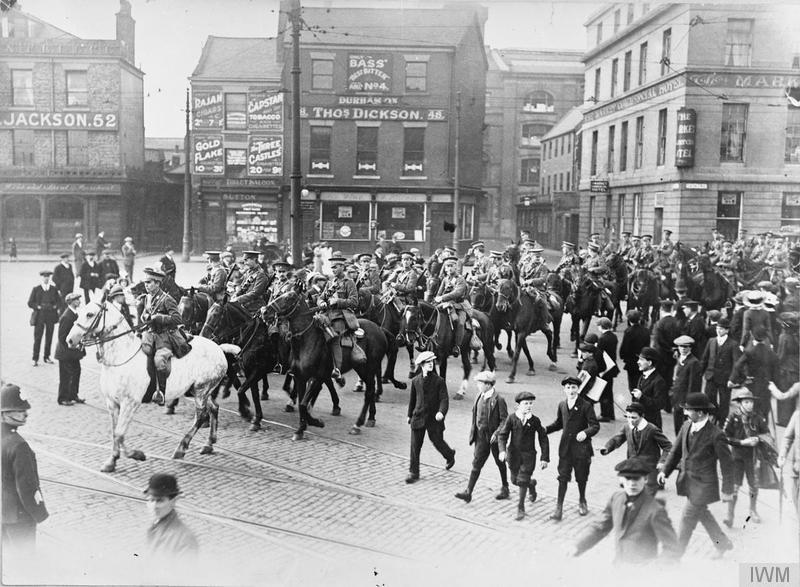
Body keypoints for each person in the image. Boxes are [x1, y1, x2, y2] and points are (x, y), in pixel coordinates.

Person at [658, 392, 735, 558]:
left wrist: (727, 489)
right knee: (702, 514)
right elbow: (676, 451)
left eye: (688, 409)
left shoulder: (716, 435)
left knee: (688, 516)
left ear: (700, 412)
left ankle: (675, 555)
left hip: (704, 486)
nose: (685, 412)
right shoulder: (686, 426)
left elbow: (727, 464)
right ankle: (723, 544)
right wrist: (665, 471)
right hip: (687, 481)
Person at [570, 457, 680, 564]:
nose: (632, 483)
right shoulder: (616, 499)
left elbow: (673, 549)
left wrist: (650, 570)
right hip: (619, 566)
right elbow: (600, 527)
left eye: (637, 479)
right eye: (628, 478)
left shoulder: (656, 510)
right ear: (621, 480)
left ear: (646, 479)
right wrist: (578, 546)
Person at [1, 383, 49, 554]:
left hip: (3, 514)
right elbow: (27, 487)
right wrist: (39, 513)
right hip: (19, 518)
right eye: (19, 410)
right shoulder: (19, 446)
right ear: (4, 414)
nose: (25, 413)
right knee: (25, 564)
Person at [545, 376, 600, 521]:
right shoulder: (562, 405)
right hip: (565, 449)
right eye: (568, 388)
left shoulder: (586, 405)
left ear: (578, 389)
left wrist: (585, 433)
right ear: (564, 389)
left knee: (581, 477)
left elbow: (595, 425)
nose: (571, 390)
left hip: (581, 449)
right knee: (562, 477)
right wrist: (544, 430)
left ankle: (582, 500)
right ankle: (559, 507)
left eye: (573, 387)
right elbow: (559, 423)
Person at [454, 371, 510, 503]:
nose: (478, 385)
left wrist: (497, 434)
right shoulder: (479, 395)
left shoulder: (499, 400)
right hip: (481, 437)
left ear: (489, 384)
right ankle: (468, 492)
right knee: (477, 463)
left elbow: (505, 421)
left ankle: (505, 487)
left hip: (494, 439)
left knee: (500, 462)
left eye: (480, 383)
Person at [497, 391, 550, 521]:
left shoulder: (535, 420)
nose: (528, 406)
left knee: (522, 480)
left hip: (528, 456)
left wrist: (544, 458)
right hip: (513, 455)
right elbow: (503, 435)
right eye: (525, 403)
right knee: (515, 480)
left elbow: (543, 438)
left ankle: (520, 507)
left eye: (530, 403)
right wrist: (502, 451)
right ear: (518, 405)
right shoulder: (512, 418)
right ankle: (531, 484)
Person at [722, 387, 769, 527]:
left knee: (753, 485)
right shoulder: (733, 417)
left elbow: (767, 434)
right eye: (746, 402)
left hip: (753, 457)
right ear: (740, 403)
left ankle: (753, 510)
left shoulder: (758, 417)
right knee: (735, 486)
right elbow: (724, 437)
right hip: (737, 457)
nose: (750, 405)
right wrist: (742, 442)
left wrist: (759, 439)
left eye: (751, 402)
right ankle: (730, 515)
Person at [406, 351, 456, 484]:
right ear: (421, 365)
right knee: (415, 445)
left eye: (432, 362)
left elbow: (444, 399)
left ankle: (449, 455)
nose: (431, 365)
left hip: (434, 418)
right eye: (428, 363)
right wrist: (409, 415)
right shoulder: (415, 381)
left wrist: (441, 412)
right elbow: (412, 399)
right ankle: (413, 472)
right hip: (418, 416)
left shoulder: (439, 381)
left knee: (437, 441)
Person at [600, 403, 672, 494]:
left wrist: (662, 462)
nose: (630, 420)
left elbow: (668, 447)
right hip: (634, 465)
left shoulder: (652, 429)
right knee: (629, 485)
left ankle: (655, 479)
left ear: (642, 416)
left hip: (650, 466)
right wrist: (607, 447)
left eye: (634, 418)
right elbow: (617, 438)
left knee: (650, 486)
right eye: (628, 417)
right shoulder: (627, 427)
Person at [138, 267, 183, 405]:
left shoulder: (167, 299)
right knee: (143, 361)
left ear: (158, 283)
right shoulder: (147, 298)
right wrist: (144, 317)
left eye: (149, 282)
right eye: (145, 282)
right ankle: (149, 390)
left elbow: (177, 319)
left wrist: (159, 317)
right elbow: (145, 314)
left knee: (159, 362)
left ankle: (162, 392)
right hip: (150, 335)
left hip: (165, 336)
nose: (146, 285)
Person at [316, 256, 362, 386]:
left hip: (341, 316)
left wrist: (338, 301)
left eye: (336, 267)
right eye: (332, 267)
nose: (333, 269)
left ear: (342, 267)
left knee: (333, 336)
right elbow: (321, 297)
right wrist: (321, 302)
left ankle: (337, 369)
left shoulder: (349, 282)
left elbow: (354, 302)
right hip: (326, 314)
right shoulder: (331, 282)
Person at [143, 473, 198, 559]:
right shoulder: (152, 527)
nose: (153, 506)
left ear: (173, 501)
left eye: (160, 501)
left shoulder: (184, 539)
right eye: (151, 500)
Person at [729, 326, 779, 420]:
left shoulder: (749, 352)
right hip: (766, 384)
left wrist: (743, 378)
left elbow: (737, 366)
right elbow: (776, 371)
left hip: (752, 384)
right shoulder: (772, 353)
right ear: (765, 338)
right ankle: (763, 429)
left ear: (752, 336)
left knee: (751, 409)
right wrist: (773, 382)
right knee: (764, 409)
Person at [699, 316, 739, 423]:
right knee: (709, 399)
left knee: (724, 402)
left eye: (721, 329)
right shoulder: (711, 341)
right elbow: (705, 359)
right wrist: (700, 373)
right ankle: (715, 415)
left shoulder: (733, 344)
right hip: (711, 375)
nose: (718, 330)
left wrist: (732, 379)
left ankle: (722, 423)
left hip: (725, 378)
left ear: (727, 330)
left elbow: (736, 364)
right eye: (717, 328)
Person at [54, 292, 86, 406]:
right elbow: (62, 337)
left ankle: (73, 395)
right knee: (65, 375)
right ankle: (63, 398)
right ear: (71, 302)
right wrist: (74, 345)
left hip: (72, 352)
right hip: (65, 352)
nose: (79, 301)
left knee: (76, 372)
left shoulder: (74, 314)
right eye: (77, 299)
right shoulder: (67, 316)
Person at [669, 335, 702, 436]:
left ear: (690, 348)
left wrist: (690, 402)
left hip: (686, 400)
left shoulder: (694, 362)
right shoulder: (680, 359)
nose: (683, 349)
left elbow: (694, 385)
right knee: (677, 425)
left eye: (686, 347)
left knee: (686, 427)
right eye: (681, 347)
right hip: (677, 398)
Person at [28, 269, 61, 367]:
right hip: (40, 316)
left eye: (48, 277)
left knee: (49, 336)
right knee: (38, 337)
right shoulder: (36, 289)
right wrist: (37, 307)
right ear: (41, 277)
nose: (46, 278)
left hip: (50, 315)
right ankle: (35, 358)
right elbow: (30, 302)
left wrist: (55, 306)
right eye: (44, 276)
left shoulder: (53, 289)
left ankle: (47, 357)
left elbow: (59, 301)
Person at [632, 347, 668, 430]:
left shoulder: (659, 381)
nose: (638, 362)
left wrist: (641, 397)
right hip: (639, 422)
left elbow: (660, 404)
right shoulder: (642, 376)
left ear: (649, 362)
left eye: (641, 360)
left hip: (651, 425)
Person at [619, 310, 650, 392]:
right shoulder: (646, 331)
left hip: (631, 362)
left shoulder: (628, 331)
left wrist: (623, 356)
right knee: (642, 382)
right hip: (643, 359)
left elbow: (625, 347)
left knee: (632, 384)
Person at [651, 300, 679, 388]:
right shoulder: (677, 322)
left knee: (660, 379)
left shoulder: (659, 324)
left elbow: (658, 341)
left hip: (661, 355)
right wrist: (674, 349)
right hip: (673, 355)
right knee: (669, 376)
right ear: (671, 309)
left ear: (661, 309)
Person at [596, 317, 619, 422]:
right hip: (611, 367)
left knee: (604, 392)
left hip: (604, 368)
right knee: (609, 391)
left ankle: (605, 414)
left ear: (602, 326)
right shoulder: (613, 336)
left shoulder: (602, 339)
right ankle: (611, 413)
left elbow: (600, 355)